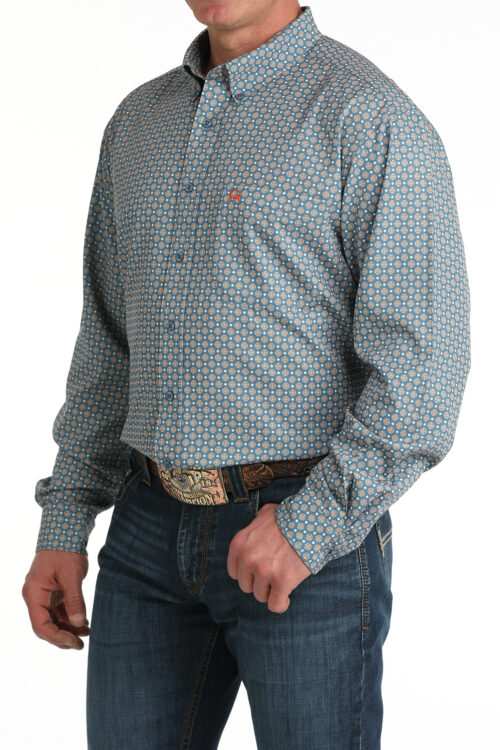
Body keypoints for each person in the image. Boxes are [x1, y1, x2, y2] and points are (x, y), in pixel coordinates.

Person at [22, 2, 471, 748]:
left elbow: (423, 370)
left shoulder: (371, 119)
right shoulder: (137, 123)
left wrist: (309, 526)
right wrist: (64, 521)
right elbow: (108, 343)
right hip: (144, 533)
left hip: (305, 539)